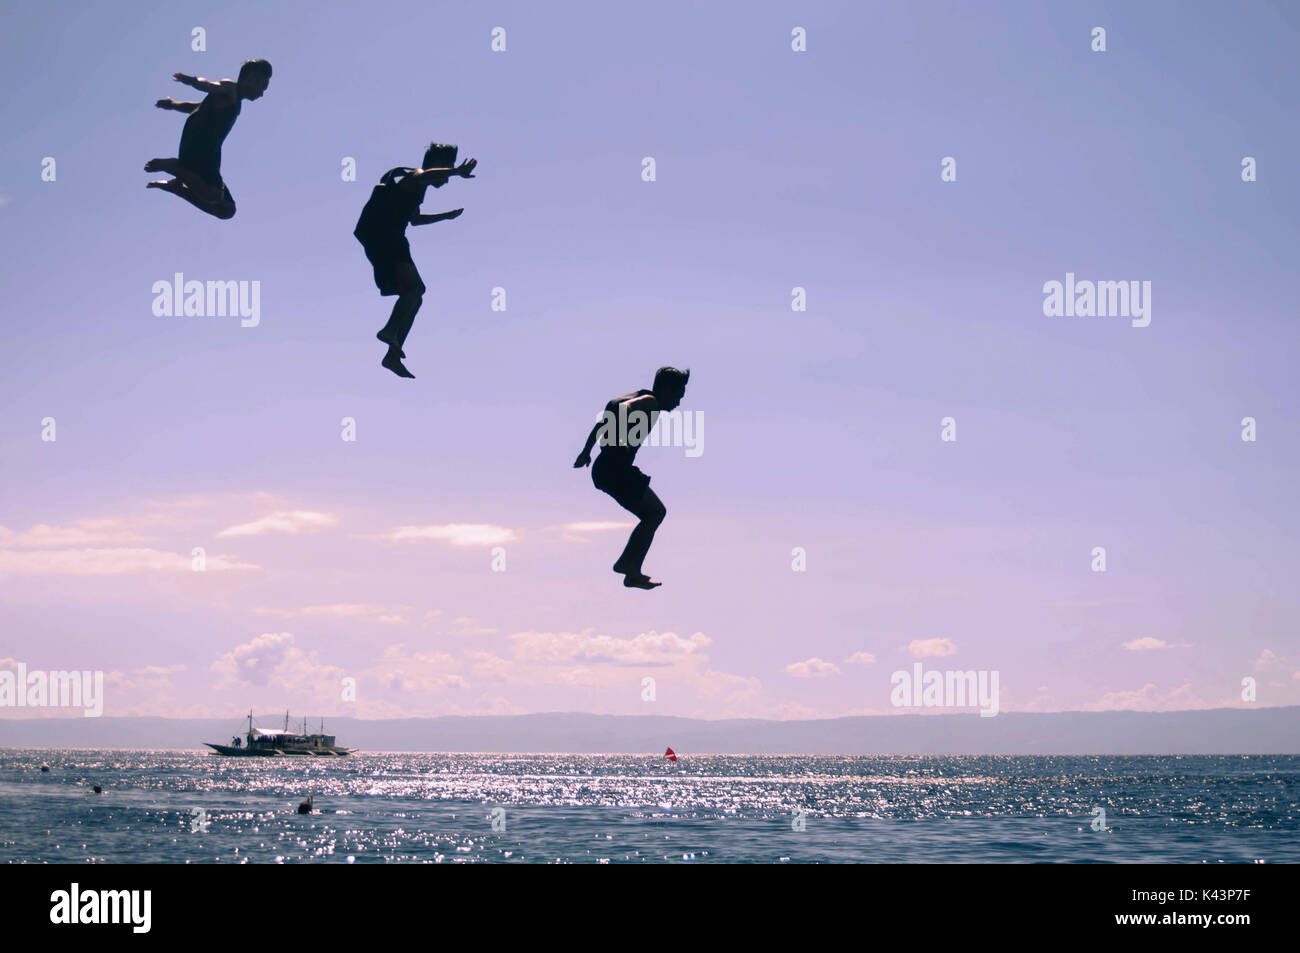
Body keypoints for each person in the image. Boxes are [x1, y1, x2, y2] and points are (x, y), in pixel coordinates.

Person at [353, 143, 477, 378]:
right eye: (447, 168)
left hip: (385, 239)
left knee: (415, 296)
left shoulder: (418, 189)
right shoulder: (415, 177)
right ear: (437, 164)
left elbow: (416, 220)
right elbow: (427, 175)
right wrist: (457, 172)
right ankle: (389, 331)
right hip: (386, 237)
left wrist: (446, 216)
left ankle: (392, 353)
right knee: (416, 290)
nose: (447, 178)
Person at [574, 367, 690, 589]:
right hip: (615, 468)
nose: (678, 403)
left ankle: (630, 568)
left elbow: (605, 419)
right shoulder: (650, 401)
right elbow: (624, 411)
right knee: (656, 512)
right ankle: (629, 567)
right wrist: (620, 434)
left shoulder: (636, 395)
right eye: (678, 395)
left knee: (653, 513)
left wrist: (586, 450)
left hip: (605, 467)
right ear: (666, 390)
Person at [145, 59, 272, 219]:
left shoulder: (235, 102)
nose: (261, 93)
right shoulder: (230, 88)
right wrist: (191, 80)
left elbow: (196, 106)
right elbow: (209, 86)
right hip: (201, 143)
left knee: (227, 210)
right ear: (252, 78)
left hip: (209, 149)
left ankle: (177, 186)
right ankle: (174, 167)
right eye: (263, 86)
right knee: (213, 195)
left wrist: (173, 105)